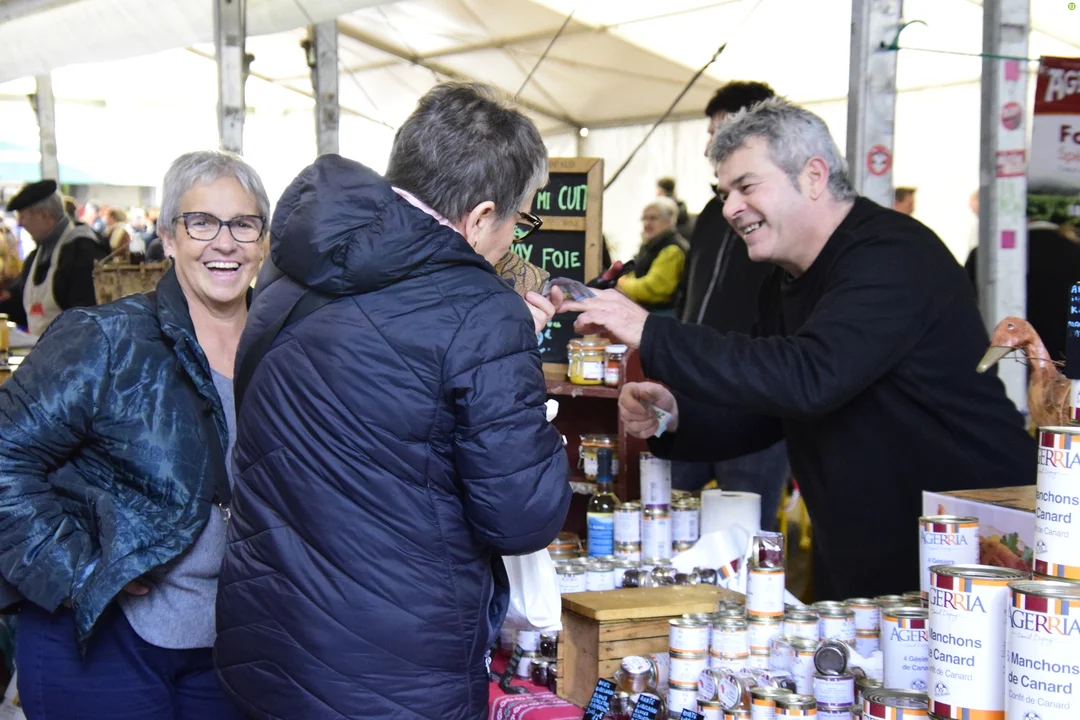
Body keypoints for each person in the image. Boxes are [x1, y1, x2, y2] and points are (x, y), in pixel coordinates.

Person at [554, 98, 1033, 599]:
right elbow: (771, 404)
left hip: (976, 543)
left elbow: (811, 377)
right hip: (867, 547)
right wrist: (677, 414)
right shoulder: (783, 281)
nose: (729, 208)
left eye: (746, 186)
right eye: (723, 193)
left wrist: (651, 331)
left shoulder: (892, 255)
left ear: (813, 176)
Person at [215, 82, 572, 719]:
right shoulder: (484, 313)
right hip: (394, 668)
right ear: (481, 217)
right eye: (519, 220)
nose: (513, 240)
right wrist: (515, 371)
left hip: (267, 635)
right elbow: (521, 516)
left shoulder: (294, 266)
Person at [0, 149, 268, 719]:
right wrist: (79, 571)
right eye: (201, 222)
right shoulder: (107, 339)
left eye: (243, 224)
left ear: (263, 241)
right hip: (104, 639)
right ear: (168, 238)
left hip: (231, 642)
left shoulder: (284, 351)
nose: (225, 242)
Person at [671, 79, 788, 531]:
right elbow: (689, 296)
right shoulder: (708, 216)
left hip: (753, 406)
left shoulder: (781, 218)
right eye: (710, 133)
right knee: (666, 523)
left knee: (747, 538)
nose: (710, 146)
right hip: (688, 401)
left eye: (719, 132)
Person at [0, 180, 107, 333]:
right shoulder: (37, 256)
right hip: (41, 345)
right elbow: (19, 304)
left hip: (73, 346)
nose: (19, 224)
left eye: (22, 216)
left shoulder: (84, 251)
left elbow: (87, 316)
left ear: (44, 215)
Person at [616, 196, 689, 312]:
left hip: (664, 315)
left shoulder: (672, 249)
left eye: (653, 218)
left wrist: (622, 284)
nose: (647, 224)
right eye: (644, 219)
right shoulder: (652, 245)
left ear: (669, 221)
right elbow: (637, 271)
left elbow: (653, 289)